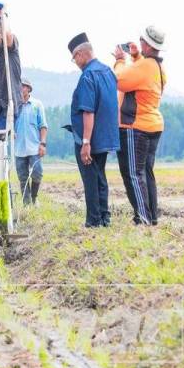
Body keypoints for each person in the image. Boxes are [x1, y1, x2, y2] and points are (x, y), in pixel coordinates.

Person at [112, 26, 167, 226]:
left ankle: (142, 218)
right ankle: (151, 217)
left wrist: (120, 59)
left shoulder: (145, 67)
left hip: (136, 126)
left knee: (133, 173)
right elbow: (138, 78)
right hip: (152, 125)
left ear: (147, 44)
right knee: (146, 173)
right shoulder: (157, 67)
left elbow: (119, 79)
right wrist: (135, 57)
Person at [68, 32, 119, 227]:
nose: (76, 62)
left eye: (75, 58)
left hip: (90, 138)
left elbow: (88, 112)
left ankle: (94, 221)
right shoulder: (108, 71)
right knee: (100, 177)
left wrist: (85, 142)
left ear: (81, 54)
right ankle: (105, 218)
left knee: (91, 180)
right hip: (106, 136)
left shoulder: (88, 76)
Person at [14, 75, 47, 205]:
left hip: (34, 147)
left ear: (28, 88)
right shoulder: (14, 106)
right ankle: (26, 204)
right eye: (18, 86)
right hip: (19, 148)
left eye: (22, 86)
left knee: (37, 173)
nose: (20, 89)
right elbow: (9, 125)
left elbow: (43, 125)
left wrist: (43, 143)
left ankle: (34, 197)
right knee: (23, 178)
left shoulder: (37, 105)